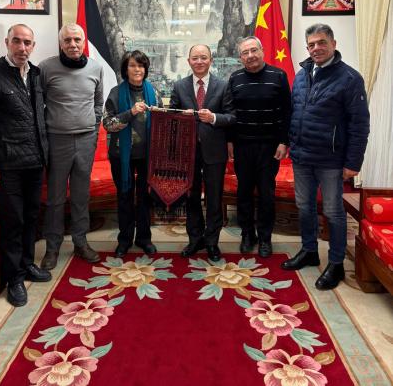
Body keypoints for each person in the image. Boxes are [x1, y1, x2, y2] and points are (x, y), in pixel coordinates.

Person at [282, 23, 370, 290]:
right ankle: (309, 251)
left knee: (333, 211)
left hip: (331, 160)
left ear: (333, 43)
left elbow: (359, 124)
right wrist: (288, 143)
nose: (316, 48)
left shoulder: (350, 78)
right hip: (301, 156)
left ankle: (336, 263)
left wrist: (353, 163)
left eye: (321, 42)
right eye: (311, 44)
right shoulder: (301, 75)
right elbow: (294, 113)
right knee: (304, 207)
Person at [0, 24, 50, 307]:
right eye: (16, 41)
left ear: (33, 46)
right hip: (7, 166)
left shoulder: (36, 74)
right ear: (7, 42)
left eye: (27, 43)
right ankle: (14, 278)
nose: (22, 47)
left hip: (35, 162)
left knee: (31, 216)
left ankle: (27, 264)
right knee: (13, 221)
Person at [40, 23, 103, 270]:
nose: (73, 44)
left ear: (84, 41)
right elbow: (38, 104)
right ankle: (52, 247)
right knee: (55, 198)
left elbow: (98, 103)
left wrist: (93, 129)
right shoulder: (46, 68)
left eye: (77, 39)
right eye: (67, 40)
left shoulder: (96, 68)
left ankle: (80, 242)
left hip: (86, 140)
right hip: (57, 140)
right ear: (61, 43)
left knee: (80, 196)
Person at [169, 44, 236, 262]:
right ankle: (195, 239)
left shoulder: (223, 85)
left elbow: (232, 117)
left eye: (203, 57)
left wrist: (213, 118)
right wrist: (181, 117)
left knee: (214, 199)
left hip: (215, 152)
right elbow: (170, 117)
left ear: (210, 60)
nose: (199, 61)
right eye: (195, 58)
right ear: (189, 61)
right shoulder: (179, 86)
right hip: (187, 152)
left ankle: (212, 242)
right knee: (191, 197)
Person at [227, 36, 291, 258]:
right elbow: (231, 113)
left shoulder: (278, 76)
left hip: (269, 147)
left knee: (266, 194)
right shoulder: (234, 78)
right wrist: (230, 142)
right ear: (240, 57)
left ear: (262, 51)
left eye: (254, 50)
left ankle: (265, 238)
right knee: (243, 192)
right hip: (242, 146)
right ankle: (247, 234)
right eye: (245, 52)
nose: (250, 55)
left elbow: (287, 112)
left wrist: (284, 141)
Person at [103, 50, 162, 257]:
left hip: (147, 155)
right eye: (132, 65)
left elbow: (161, 122)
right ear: (125, 69)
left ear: (145, 69)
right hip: (121, 156)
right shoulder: (115, 93)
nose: (137, 69)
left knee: (145, 198)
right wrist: (131, 112)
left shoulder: (153, 91)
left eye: (141, 65)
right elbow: (108, 124)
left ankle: (144, 239)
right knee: (125, 197)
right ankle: (125, 240)